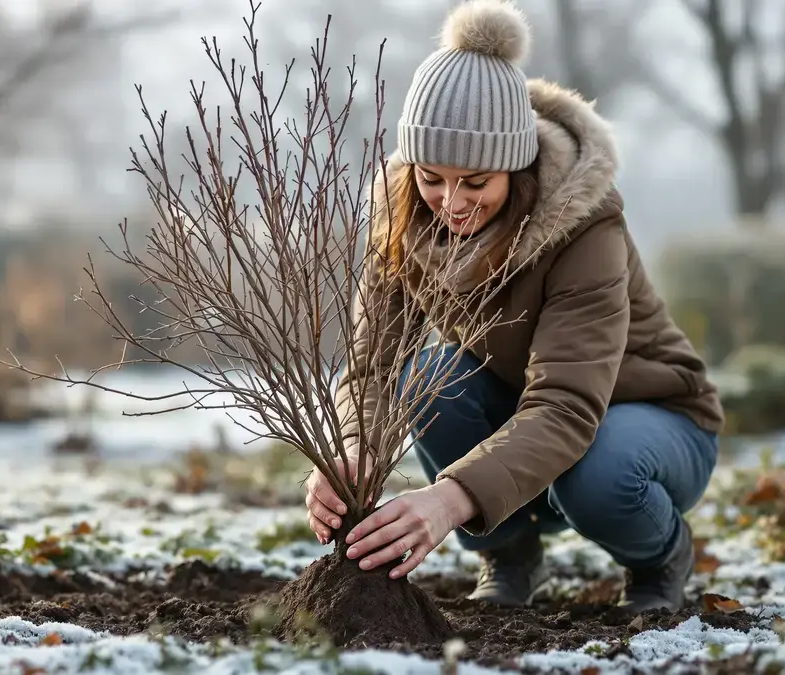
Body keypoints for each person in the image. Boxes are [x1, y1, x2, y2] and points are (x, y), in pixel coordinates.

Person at [304, 0, 724, 612]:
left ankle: (662, 556)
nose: (451, 202)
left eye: (476, 182)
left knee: (597, 473)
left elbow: (566, 404)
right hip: (540, 425)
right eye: (432, 177)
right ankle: (510, 555)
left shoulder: (585, 227)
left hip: (652, 419)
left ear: (517, 165)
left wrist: (448, 500)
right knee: (430, 379)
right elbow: (373, 367)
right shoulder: (405, 221)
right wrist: (351, 450)